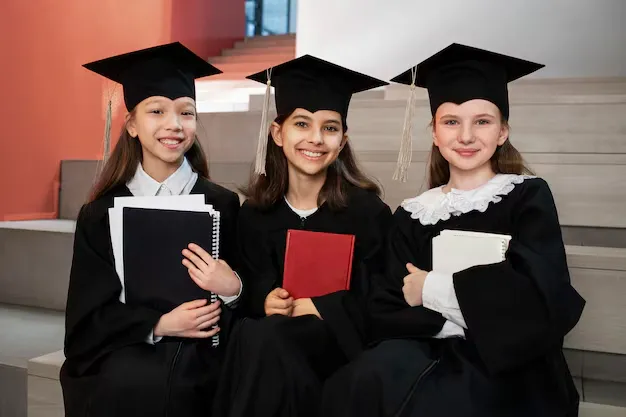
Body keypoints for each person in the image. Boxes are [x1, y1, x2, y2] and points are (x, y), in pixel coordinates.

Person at [320, 43, 586, 417]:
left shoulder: (526, 197)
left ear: (503, 131)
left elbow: (540, 293)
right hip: (427, 349)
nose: (466, 136)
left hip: (509, 360)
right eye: (451, 122)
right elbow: (386, 304)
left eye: (482, 121)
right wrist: (468, 311)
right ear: (434, 132)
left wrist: (432, 289)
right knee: (360, 380)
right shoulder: (413, 214)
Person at [60, 42, 242, 417]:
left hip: (203, 349)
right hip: (129, 344)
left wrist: (232, 288)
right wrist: (159, 323)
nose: (174, 125)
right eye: (156, 111)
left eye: (186, 113)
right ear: (131, 124)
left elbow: (249, 302)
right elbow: (87, 319)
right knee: (128, 381)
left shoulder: (223, 204)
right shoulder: (100, 213)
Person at [212, 55, 392, 417]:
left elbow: (384, 302)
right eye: (302, 124)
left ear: (343, 141)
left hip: (339, 350)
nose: (316, 138)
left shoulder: (368, 214)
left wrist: (322, 307)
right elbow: (243, 290)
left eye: (330, 128)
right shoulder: (254, 216)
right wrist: (263, 301)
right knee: (259, 335)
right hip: (272, 355)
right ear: (278, 133)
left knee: (264, 339)